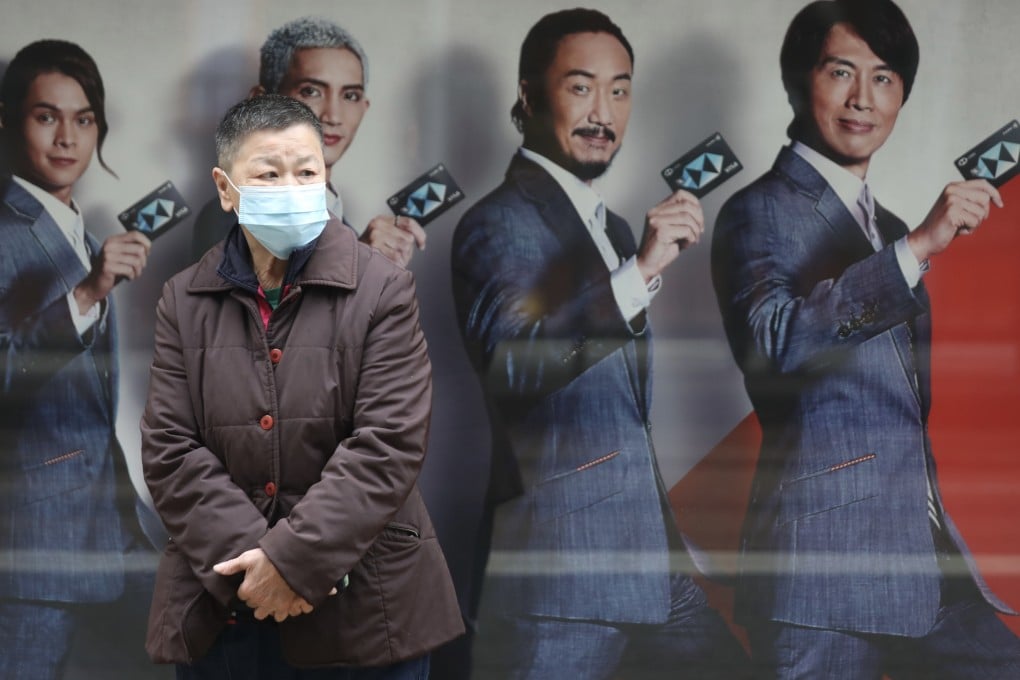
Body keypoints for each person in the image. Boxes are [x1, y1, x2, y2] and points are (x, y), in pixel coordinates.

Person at [711, 0, 1020, 676]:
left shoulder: (891, 223)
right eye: (841, 72)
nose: (862, 99)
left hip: (923, 557)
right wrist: (917, 249)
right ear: (799, 81)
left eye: (883, 78)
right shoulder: (756, 211)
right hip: (819, 578)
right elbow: (774, 345)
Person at [451, 9, 751, 678]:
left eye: (619, 89)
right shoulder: (496, 223)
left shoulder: (612, 228)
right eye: (581, 86)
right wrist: (640, 273)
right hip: (558, 580)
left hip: (651, 568)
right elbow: (511, 368)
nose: (603, 111)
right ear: (529, 96)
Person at [141, 93, 463, 679]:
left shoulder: (382, 290)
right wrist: (255, 572)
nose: (291, 187)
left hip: (366, 613)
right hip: (228, 613)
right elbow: (170, 450)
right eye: (269, 173)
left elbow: (386, 445)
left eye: (307, 171)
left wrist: (290, 563)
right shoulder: (183, 300)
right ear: (225, 188)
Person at [0, 39, 157, 679]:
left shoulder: (85, 237)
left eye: (84, 118)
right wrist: (88, 293)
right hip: (34, 541)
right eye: (47, 116)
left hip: (107, 526)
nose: (68, 137)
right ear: (9, 122)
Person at [190, 16, 425, 268]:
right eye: (311, 91)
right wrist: (355, 264)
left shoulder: (344, 228)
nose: (333, 116)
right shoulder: (232, 216)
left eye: (350, 95)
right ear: (261, 101)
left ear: (363, 108)